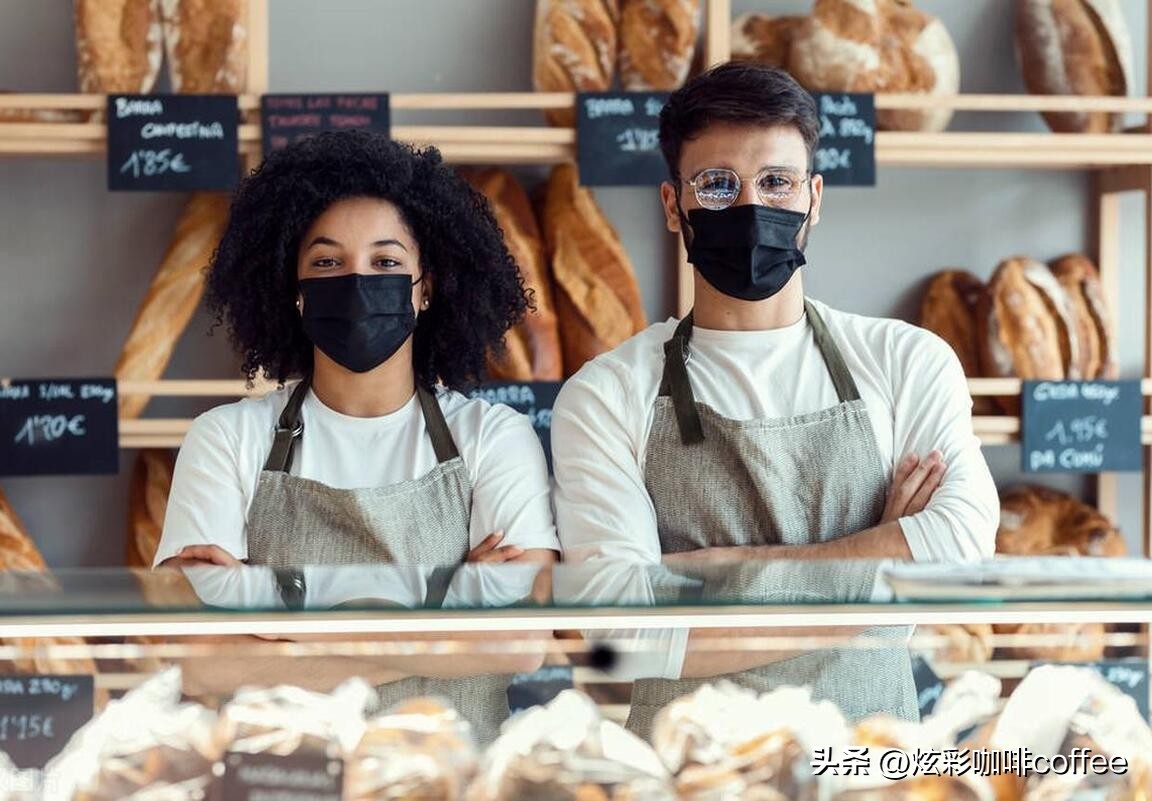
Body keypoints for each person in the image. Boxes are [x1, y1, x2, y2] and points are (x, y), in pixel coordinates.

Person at [550, 63, 999, 732]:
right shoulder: (606, 394)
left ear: (814, 198)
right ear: (674, 205)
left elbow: (960, 557)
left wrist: (713, 575)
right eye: (718, 184)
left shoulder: (907, 361)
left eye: (776, 182)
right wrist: (880, 561)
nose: (750, 207)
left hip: (865, 771)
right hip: (688, 778)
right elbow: (620, 636)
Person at [155, 130, 559, 738]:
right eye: (326, 262)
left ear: (425, 288)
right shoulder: (224, 438)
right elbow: (197, 664)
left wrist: (271, 614)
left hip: (450, 779)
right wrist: (444, 605)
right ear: (294, 291)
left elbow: (522, 643)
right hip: (285, 781)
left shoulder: (493, 438)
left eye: (387, 262)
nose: (357, 279)